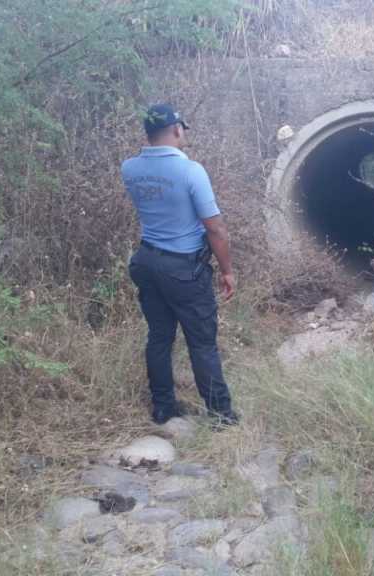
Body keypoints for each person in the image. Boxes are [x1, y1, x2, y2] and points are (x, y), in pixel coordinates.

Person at [122, 103, 239, 428]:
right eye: (183, 128)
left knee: (159, 337)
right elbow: (215, 228)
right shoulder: (191, 171)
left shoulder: (129, 168)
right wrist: (227, 270)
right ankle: (220, 413)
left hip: (146, 262)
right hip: (183, 268)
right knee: (201, 341)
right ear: (176, 129)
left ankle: (163, 408)